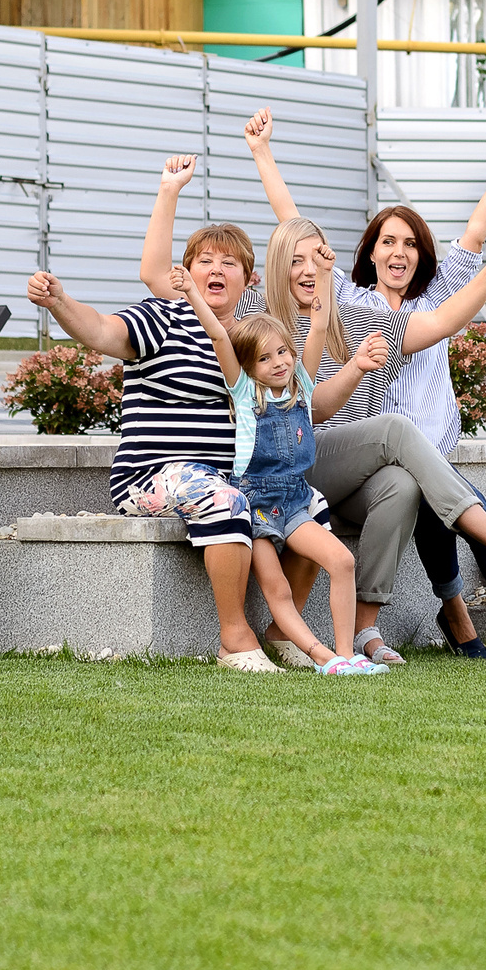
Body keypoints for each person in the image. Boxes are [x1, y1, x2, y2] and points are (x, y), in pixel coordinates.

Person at [245, 109, 486, 664]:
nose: (399, 252)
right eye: (387, 242)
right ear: (366, 253)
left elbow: (460, 283)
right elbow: (294, 230)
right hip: (321, 453)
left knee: (406, 486)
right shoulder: (335, 300)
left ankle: (366, 630)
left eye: (409, 243)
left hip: (396, 465)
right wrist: (263, 154)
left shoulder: (393, 312)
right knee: (411, 450)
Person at [23, 158, 270, 666]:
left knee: (308, 504)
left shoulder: (253, 338)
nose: (216, 270)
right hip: (151, 478)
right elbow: (98, 330)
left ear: (249, 279)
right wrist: (60, 302)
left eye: (229, 263)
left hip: (227, 473)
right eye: (205, 261)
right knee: (223, 500)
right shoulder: (160, 316)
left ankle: (283, 631)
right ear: (185, 272)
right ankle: (235, 638)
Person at [169, 260, 390, 675]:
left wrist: (324, 274)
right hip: (254, 502)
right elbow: (219, 334)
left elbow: (320, 325)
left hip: (294, 500)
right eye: (265, 358)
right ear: (248, 367)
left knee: (342, 561)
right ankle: (323, 657)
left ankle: (347, 655)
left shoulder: (300, 385)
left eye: (284, 351)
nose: (279, 362)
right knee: (279, 591)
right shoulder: (244, 390)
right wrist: (191, 293)